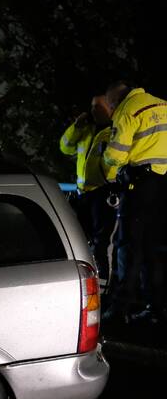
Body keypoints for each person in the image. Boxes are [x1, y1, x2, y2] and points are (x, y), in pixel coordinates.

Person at [102, 81, 167, 322]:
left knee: (127, 246)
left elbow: (117, 153)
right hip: (162, 185)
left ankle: (119, 308)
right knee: (152, 248)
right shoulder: (161, 104)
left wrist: (108, 169)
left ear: (115, 102)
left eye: (109, 108)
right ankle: (155, 307)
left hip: (140, 184)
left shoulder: (128, 110)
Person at [59, 96, 114, 279]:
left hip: (102, 192)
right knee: (79, 239)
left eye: (98, 106)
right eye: (92, 106)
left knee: (100, 242)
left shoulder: (114, 131)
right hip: (83, 192)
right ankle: (83, 277)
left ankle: (103, 279)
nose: (93, 110)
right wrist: (76, 126)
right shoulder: (86, 130)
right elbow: (65, 148)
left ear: (110, 108)